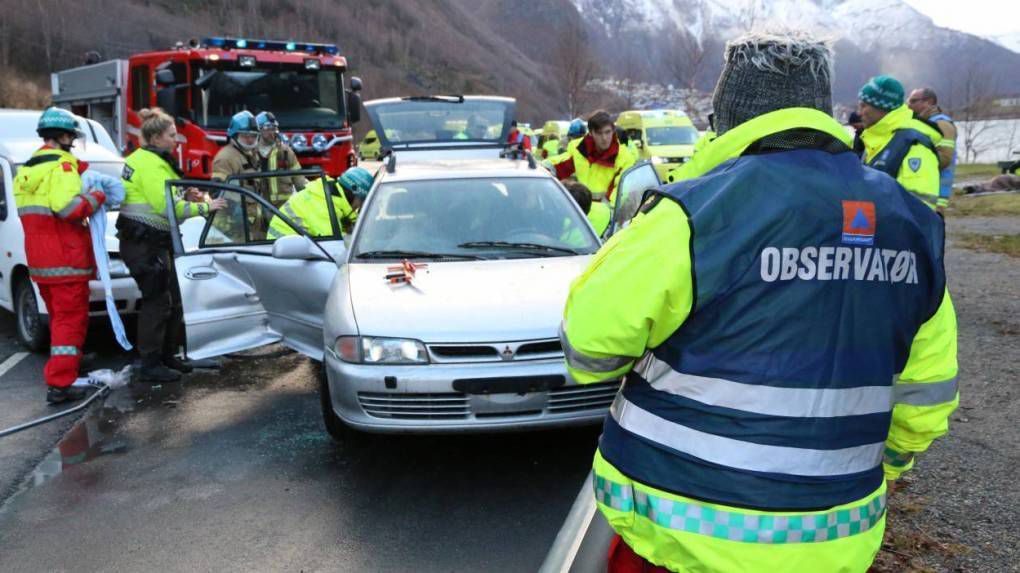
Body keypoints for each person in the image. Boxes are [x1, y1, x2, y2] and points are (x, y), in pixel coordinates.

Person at [561, 32, 958, 573]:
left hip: (678, 531)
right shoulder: (912, 224)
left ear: (727, 115)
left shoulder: (694, 212)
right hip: (836, 535)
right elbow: (928, 392)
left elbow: (588, 347)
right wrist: (875, 469)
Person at [119, 108, 227, 382]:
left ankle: (167, 357)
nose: (176, 140)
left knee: (172, 301)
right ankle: (150, 365)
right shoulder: (151, 164)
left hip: (151, 242)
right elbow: (165, 206)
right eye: (171, 135)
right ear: (156, 138)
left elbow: (164, 196)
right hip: (145, 243)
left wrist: (184, 194)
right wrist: (205, 207)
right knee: (158, 302)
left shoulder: (147, 159)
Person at [14, 108, 107, 404]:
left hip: (41, 261)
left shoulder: (28, 170)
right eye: (72, 138)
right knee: (70, 321)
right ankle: (60, 384)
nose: (73, 143)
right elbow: (69, 209)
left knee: (59, 319)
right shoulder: (63, 167)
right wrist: (96, 197)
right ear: (64, 136)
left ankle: (70, 361)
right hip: (66, 259)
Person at [858, 75, 943, 211]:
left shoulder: (914, 146)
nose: (859, 112)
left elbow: (920, 209)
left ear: (882, 107)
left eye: (864, 106)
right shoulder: (874, 140)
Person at [548, 110, 637, 202]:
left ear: (613, 131)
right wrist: (541, 168)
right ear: (590, 133)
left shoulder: (625, 158)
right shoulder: (578, 149)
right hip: (577, 208)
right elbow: (556, 165)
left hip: (604, 210)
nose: (604, 138)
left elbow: (620, 194)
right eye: (599, 133)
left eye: (607, 132)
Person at [267, 167, 373, 240]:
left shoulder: (330, 197)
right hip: (281, 253)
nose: (360, 206)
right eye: (362, 201)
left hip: (295, 248)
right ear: (354, 194)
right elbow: (336, 244)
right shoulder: (323, 206)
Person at [908, 87, 958, 209]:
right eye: (908, 101)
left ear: (928, 102)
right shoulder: (920, 122)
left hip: (937, 193)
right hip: (922, 190)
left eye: (913, 101)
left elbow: (944, 159)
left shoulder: (942, 124)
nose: (908, 105)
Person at [255, 111, 306, 206]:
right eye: (268, 129)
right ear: (259, 129)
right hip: (258, 206)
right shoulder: (251, 152)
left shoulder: (285, 151)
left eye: (274, 128)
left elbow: (299, 180)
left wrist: (307, 198)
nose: (272, 132)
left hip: (283, 207)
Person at [212, 110, 260, 183]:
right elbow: (219, 188)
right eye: (245, 136)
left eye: (254, 135)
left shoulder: (252, 153)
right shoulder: (224, 159)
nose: (250, 140)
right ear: (234, 135)